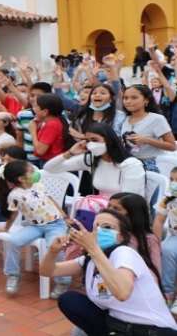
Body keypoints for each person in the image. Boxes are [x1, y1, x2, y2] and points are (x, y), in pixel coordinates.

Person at [41, 210, 177, 335]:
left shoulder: (124, 253)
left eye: (107, 227)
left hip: (152, 330)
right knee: (69, 300)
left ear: (121, 237)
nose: (99, 231)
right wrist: (53, 251)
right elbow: (48, 271)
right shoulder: (90, 260)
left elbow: (122, 293)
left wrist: (93, 249)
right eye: (95, 227)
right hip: (117, 327)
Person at [0, 160, 71, 297]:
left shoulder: (38, 185)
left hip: (56, 224)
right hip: (35, 226)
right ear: (21, 179)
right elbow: (14, 214)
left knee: (56, 247)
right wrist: (6, 228)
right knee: (12, 241)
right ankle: (13, 275)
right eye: (31, 171)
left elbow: (51, 200)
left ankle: (63, 281)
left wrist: (64, 216)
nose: (35, 172)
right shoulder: (15, 195)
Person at [44, 123, 145, 214]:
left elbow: (130, 202)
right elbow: (50, 168)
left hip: (125, 214)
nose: (91, 144)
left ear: (109, 140)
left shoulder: (131, 165)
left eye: (95, 140)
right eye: (87, 141)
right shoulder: (92, 160)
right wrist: (70, 153)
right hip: (99, 211)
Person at [121, 84, 176, 172]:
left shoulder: (157, 119)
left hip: (153, 166)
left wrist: (147, 140)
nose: (128, 101)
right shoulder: (125, 119)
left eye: (134, 97)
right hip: (131, 166)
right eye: (125, 98)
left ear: (146, 100)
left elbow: (172, 146)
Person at [154, 169, 177, 311]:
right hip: (174, 236)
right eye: (171, 179)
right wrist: (155, 243)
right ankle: (166, 293)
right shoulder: (168, 199)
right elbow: (158, 221)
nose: (174, 183)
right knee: (166, 250)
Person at [16, 82, 53, 167]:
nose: (35, 99)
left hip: (48, 160)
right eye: (32, 96)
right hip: (29, 159)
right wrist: (19, 158)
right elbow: (19, 138)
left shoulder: (55, 116)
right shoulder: (22, 115)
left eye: (39, 96)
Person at [28, 94, 72, 164]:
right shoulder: (52, 122)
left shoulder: (52, 125)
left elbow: (40, 151)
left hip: (51, 162)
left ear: (45, 112)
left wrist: (32, 131)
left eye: (36, 106)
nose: (33, 109)